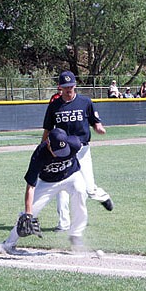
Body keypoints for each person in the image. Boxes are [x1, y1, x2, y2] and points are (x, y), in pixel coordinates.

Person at [43, 71, 113, 231]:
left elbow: (95, 122)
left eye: (71, 86)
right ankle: (64, 223)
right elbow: (47, 129)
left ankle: (102, 196)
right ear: (60, 87)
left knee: (88, 188)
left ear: (75, 85)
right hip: (63, 151)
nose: (69, 89)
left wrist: (99, 128)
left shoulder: (85, 102)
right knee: (61, 186)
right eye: (66, 86)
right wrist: (44, 147)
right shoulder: (54, 106)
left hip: (82, 149)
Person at [3, 128, 87, 251]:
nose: (60, 153)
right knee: (30, 212)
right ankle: (9, 243)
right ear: (48, 142)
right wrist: (28, 213)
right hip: (48, 183)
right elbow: (30, 186)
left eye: (63, 150)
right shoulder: (39, 155)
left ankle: (76, 235)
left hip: (71, 176)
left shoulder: (75, 143)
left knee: (80, 192)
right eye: (57, 150)